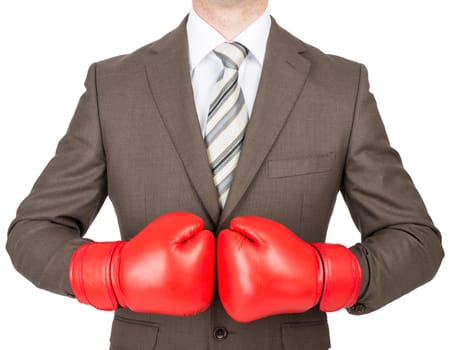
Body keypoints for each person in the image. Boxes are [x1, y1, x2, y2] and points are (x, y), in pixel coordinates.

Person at [6, 0, 444, 349]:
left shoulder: (341, 86)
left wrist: (328, 276)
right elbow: (32, 232)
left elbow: (416, 241)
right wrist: (113, 274)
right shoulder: (113, 85)